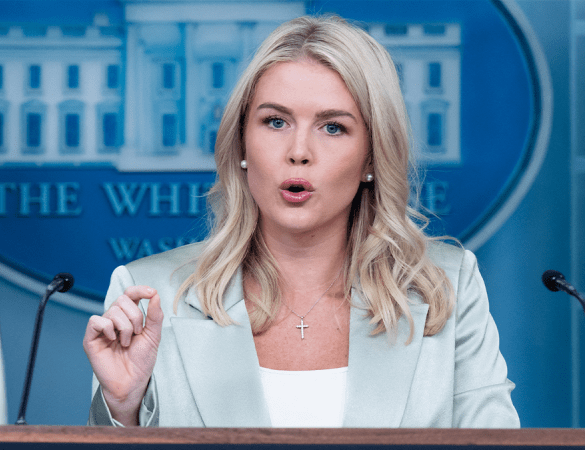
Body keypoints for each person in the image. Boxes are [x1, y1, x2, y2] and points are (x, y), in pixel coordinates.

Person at [84, 15, 520, 428]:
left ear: (371, 156)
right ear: (242, 144)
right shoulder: (147, 297)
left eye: (332, 128)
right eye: (275, 122)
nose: (298, 152)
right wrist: (122, 412)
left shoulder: (448, 288)